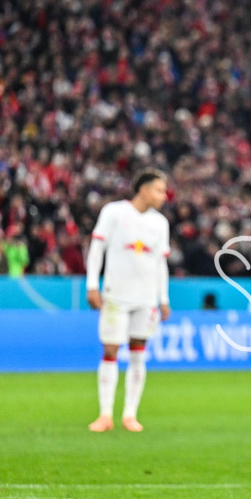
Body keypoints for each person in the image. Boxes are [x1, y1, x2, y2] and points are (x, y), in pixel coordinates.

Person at [85, 169, 172, 432]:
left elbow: (161, 264)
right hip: (116, 295)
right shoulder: (114, 212)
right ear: (143, 189)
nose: (164, 196)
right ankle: (104, 415)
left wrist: (163, 298)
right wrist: (92, 285)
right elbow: (97, 248)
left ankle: (130, 415)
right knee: (111, 350)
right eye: (159, 190)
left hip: (145, 299)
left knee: (138, 353)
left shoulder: (161, 223)